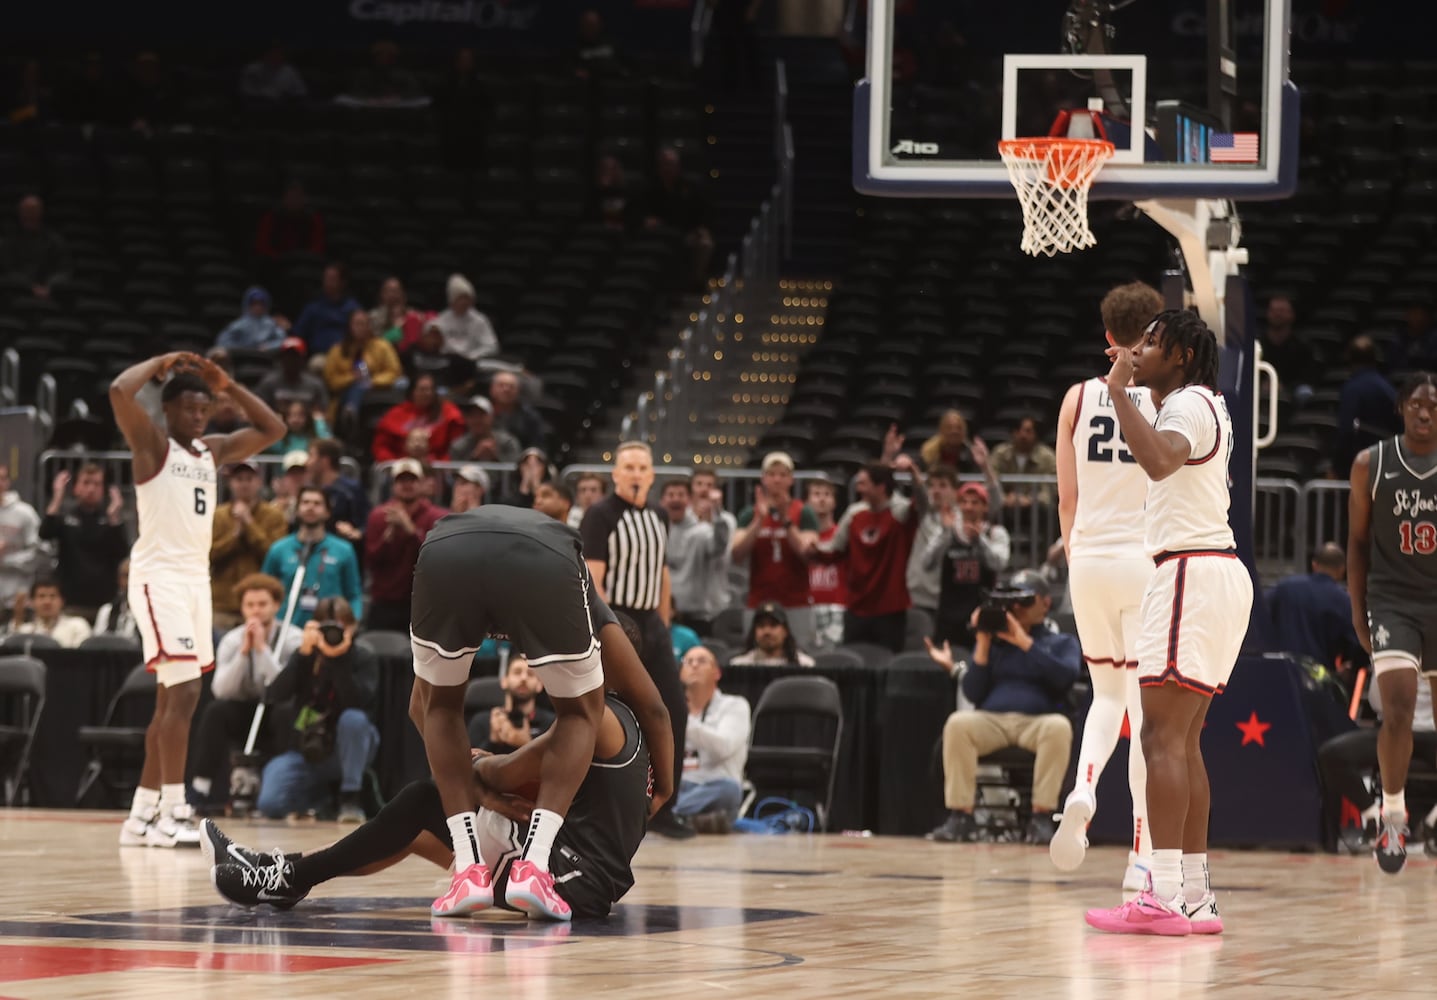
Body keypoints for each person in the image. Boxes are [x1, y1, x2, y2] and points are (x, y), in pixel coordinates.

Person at [407, 505, 675, 920]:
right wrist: (665, 788)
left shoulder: (461, 556)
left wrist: (472, 784)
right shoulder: (587, 600)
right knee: (581, 713)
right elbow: (655, 709)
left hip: (443, 549)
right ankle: (533, 868)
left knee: (439, 705)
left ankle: (467, 873)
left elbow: (419, 708)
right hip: (545, 556)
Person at [1085, 310, 1252, 937]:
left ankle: (1159, 893)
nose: (1137, 348)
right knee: (1181, 742)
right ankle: (1194, 896)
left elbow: (1158, 462)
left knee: (1159, 738)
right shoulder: (1201, 402)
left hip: (1190, 574)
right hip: (1211, 573)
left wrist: (1117, 395)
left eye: (1151, 342)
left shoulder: (1184, 404)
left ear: (1182, 356)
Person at [206, 687, 651, 920]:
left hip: (571, 877)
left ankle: (286, 878)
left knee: (425, 799)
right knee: (418, 832)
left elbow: (508, 772)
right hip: (588, 879)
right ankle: (286, 875)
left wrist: (481, 762)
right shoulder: (633, 729)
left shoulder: (598, 718)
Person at [110, 351, 285, 848]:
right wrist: (160, 362)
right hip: (158, 577)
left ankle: (141, 814)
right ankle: (174, 809)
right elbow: (120, 391)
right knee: (185, 694)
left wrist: (228, 386)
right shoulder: (151, 445)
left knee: (173, 697)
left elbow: (271, 428)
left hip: (194, 580)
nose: (198, 416)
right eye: (189, 408)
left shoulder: (212, 449)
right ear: (168, 410)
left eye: (204, 408)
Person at [1048, 280, 1163, 891]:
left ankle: (1084, 788)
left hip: (1087, 559)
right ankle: (1141, 854)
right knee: (1146, 712)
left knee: (1104, 695)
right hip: (1143, 562)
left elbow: (1066, 498)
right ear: (1154, 334)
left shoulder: (1076, 397)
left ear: (1108, 336)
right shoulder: (1167, 398)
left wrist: (1074, 556)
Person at [1347, 371, 1437, 875]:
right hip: (1394, 599)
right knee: (1398, 706)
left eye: (1434, 406)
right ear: (1402, 408)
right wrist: (1357, 610)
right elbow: (1356, 545)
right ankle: (1394, 813)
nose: (1425, 413)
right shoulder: (1370, 464)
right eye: (1417, 404)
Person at [581, 442, 690, 840]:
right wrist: (611, 631)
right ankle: (615, 806)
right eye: (628, 466)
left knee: (674, 709)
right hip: (618, 619)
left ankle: (666, 806)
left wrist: (663, 625)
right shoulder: (600, 514)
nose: (636, 473)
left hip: (652, 624)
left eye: (643, 467)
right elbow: (595, 578)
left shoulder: (659, 514)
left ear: (652, 474)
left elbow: (661, 572)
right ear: (615, 473)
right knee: (619, 711)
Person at [926, 571, 1079, 846]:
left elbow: (1065, 676)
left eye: (1024, 600)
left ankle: (1041, 817)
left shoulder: (1060, 643)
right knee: (958, 724)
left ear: (1045, 603)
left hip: (1038, 723)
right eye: (1012, 601)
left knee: (1059, 728)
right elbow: (972, 691)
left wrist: (1025, 643)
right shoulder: (995, 644)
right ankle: (961, 816)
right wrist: (983, 643)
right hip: (992, 722)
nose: (1016, 608)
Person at [256, 596, 379, 823]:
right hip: (306, 751)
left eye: (340, 627)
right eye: (326, 628)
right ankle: (321, 800)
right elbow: (274, 695)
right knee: (269, 804)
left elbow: (356, 702)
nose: (332, 635)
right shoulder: (306, 655)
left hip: (349, 750)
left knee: (354, 720)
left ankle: (350, 798)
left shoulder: (363, 657)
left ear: (351, 627)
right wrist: (302, 656)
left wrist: (337, 660)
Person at [188, 573, 304, 813]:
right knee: (215, 711)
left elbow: (284, 688)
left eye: (262, 604)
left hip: (277, 709)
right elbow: (220, 690)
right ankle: (201, 788)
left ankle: (282, 786)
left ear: (276, 606)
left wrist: (262, 650)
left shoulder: (293, 638)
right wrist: (243, 653)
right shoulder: (231, 640)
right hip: (243, 708)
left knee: (285, 712)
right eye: (250, 605)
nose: (256, 611)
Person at [810, 457, 926, 652]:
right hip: (857, 607)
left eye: (863, 483)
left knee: (887, 664)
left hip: (890, 609)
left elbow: (922, 503)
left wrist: (914, 474)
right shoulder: (854, 514)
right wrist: (813, 549)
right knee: (852, 663)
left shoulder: (900, 514)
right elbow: (834, 551)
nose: (858, 488)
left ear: (880, 487)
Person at [731, 452, 820, 650]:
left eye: (782, 474)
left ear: (791, 479)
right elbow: (736, 554)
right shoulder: (749, 514)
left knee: (800, 654)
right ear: (763, 478)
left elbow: (808, 555)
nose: (777, 479)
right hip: (758, 602)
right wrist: (758, 522)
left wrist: (786, 520)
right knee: (755, 656)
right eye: (771, 474)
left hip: (796, 603)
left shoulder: (804, 513)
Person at [923, 479, 1009, 651]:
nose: (969, 507)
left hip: (982, 614)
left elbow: (999, 564)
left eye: (975, 502)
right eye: (964, 502)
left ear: (985, 507)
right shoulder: (947, 532)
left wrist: (980, 540)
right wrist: (946, 533)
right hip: (949, 616)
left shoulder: (995, 533)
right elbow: (926, 563)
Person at [261, 487, 364, 627]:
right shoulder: (279, 549)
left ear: (328, 512)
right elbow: (263, 590)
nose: (310, 507)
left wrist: (352, 621)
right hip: (286, 628)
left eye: (317, 503)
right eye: (305, 502)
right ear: (297, 510)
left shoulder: (344, 550)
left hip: (329, 628)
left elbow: (353, 594)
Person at [364, 458, 447, 632]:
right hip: (385, 602)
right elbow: (370, 561)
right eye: (401, 480)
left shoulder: (437, 517)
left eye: (412, 480)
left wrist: (411, 531)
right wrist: (388, 537)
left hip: (425, 604)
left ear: (423, 484)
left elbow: (439, 559)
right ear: (393, 485)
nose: (407, 485)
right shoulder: (378, 516)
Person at [674, 645, 750, 832]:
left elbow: (723, 747)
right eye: (688, 661)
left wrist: (685, 720)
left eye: (701, 661)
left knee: (729, 790)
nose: (694, 665)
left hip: (713, 788)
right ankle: (681, 817)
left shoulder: (735, 705)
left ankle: (668, 815)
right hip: (679, 787)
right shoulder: (670, 708)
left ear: (717, 673)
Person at [38, 464, 129, 622]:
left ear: (103, 490)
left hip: (103, 604)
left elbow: (122, 553)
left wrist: (114, 518)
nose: (91, 489)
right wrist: (57, 497)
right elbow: (45, 533)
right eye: (86, 483)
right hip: (71, 601)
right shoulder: (66, 517)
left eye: (96, 484)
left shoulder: (110, 520)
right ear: (76, 488)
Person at [210, 459, 289, 632]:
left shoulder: (274, 516)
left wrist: (249, 524)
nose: (244, 484)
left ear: (259, 482)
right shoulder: (217, 516)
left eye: (249, 479)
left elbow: (275, 554)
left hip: (260, 604)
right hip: (223, 605)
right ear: (230, 483)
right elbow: (209, 555)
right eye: (239, 479)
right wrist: (235, 535)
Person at [1267, 542, 1365, 670]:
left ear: (1314, 565)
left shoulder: (1285, 587)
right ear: (1342, 569)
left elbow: (1259, 614)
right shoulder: (1344, 601)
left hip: (1280, 673)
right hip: (1318, 680)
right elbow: (1358, 646)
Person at [661, 476, 732, 636]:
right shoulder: (654, 532)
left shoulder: (702, 532)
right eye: (671, 495)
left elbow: (719, 546)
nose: (675, 499)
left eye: (680, 495)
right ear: (662, 500)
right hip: (662, 613)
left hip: (696, 616)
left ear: (689, 500)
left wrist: (717, 513)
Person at [1333, 334, 1400, 478]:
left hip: (1360, 464)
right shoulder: (1388, 388)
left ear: (1348, 359)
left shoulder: (1352, 388)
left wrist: (1337, 467)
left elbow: (1346, 431)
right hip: (1388, 463)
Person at [322, 308, 403, 426]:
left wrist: (373, 381)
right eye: (357, 324)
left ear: (369, 326)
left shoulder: (382, 346)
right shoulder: (337, 350)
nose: (360, 327)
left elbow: (394, 371)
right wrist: (352, 378)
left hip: (376, 391)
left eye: (364, 323)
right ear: (349, 326)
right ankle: (350, 412)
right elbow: (331, 380)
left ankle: (352, 409)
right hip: (345, 393)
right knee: (355, 387)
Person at [371, 372, 465, 464]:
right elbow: (381, 446)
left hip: (437, 467)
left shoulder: (447, 411)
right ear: (412, 391)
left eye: (431, 389)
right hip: (401, 467)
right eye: (422, 389)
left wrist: (440, 465)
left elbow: (456, 445)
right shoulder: (397, 413)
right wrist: (395, 464)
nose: (427, 393)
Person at [470, 654, 555, 754]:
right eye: (517, 672)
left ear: (539, 685)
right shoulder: (482, 721)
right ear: (504, 681)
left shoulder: (552, 724)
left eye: (530, 674)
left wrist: (527, 744)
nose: (523, 678)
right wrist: (493, 742)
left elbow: (555, 765)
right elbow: (468, 764)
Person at [0, 194, 70, 299]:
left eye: (33, 210)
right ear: (20, 213)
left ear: (41, 212)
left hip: (50, 293)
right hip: (16, 292)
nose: (30, 214)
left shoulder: (54, 241)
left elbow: (64, 269)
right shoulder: (8, 241)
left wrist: (49, 286)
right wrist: (30, 287)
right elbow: (8, 270)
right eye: (26, 210)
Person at [805, 476, 847, 650]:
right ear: (807, 502)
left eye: (827, 494)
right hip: (808, 607)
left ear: (834, 502)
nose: (822, 498)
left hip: (837, 607)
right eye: (816, 494)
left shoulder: (843, 535)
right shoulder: (800, 537)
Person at [307, 438, 368, 553]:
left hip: (343, 550)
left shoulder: (351, 489)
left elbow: (364, 523)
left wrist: (355, 532)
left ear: (324, 460)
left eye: (311, 456)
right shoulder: (308, 489)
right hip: (312, 549)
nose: (307, 462)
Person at [989, 415, 1058, 509]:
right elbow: (991, 479)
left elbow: (1050, 490)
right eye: (1018, 430)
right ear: (1013, 433)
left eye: (1028, 431)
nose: (1023, 435)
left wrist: (1029, 500)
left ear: (1035, 434)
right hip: (1005, 508)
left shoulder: (1047, 457)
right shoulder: (1000, 453)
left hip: (1036, 510)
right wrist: (1004, 498)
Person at [294, 263, 360, 355]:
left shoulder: (352, 307)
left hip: (346, 355)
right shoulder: (314, 306)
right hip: (319, 355)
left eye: (332, 279)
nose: (327, 282)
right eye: (326, 278)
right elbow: (298, 332)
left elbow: (360, 334)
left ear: (343, 282)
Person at [0, 463, 41, 610]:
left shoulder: (25, 513)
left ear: (8, 482)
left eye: (2, 478)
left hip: (17, 594)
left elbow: (38, 553)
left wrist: (6, 560)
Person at [255, 337, 329, 416]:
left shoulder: (315, 385)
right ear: (282, 358)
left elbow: (322, 412)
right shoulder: (269, 382)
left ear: (303, 359)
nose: (291, 360)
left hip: (308, 426)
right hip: (275, 425)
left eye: (295, 356)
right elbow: (259, 410)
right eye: (288, 356)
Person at [6, 578, 91, 647]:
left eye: (52, 596)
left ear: (62, 601)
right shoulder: (25, 631)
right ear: (32, 602)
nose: (47, 601)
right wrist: (18, 615)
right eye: (41, 596)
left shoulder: (78, 625)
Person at [435, 273, 499, 363]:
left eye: (467, 298)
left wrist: (473, 355)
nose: (464, 302)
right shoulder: (441, 320)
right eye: (460, 298)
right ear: (452, 300)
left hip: (473, 362)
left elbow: (492, 346)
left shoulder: (479, 320)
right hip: (447, 362)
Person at [730, 601, 815, 666]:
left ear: (785, 631)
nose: (767, 631)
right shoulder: (739, 665)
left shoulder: (804, 665)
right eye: (761, 626)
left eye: (773, 625)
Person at [450, 395, 520, 464]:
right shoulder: (459, 446)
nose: (476, 420)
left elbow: (514, 473)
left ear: (492, 417)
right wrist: (474, 457)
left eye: (481, 414)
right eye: (471, 415)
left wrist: (496, 457)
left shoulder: (507, 443)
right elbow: (455, 473)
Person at [216, 287, 288, 353]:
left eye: (261, 304)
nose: (258, 307)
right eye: (254, 303)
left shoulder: (271, 324)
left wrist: (269, 346)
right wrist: (239, 348)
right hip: (242, 358)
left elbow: (283, 340)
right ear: (248, 305)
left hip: (265, 357)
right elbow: (222, 341)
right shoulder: (239, 324)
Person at [368, 276, 425, 353]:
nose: (392, 295)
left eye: (396, 291)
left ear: (403, 295)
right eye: (388, 291)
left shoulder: (414, 316)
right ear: (381, 295)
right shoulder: (372, 318)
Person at [93, 559, 140, 642]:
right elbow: (97, 645)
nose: (131, 581)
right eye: (126, 576)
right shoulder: (106, 611)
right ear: (119, 579)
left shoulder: (152, 615)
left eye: (135, 576)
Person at [264, 400, 330, 457]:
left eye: (300, 415)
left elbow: (328, 445)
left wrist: (319, 422)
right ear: (285, 418)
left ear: (307, 418)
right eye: (291, 415)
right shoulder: (281, 439)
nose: (296, 420)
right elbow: (266, 444)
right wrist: (275, 424)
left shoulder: (314, 436)